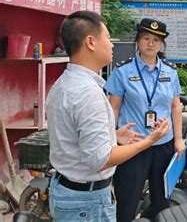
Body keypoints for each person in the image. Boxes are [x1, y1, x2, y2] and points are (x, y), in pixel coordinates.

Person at [46, 11, 169, 222]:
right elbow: (99, 160)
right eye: (107, 38)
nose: (112, 44)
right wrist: (148, 142)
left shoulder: (65, 83)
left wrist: (114, 137)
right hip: (87, 202)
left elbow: (79, 137)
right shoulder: (88, 93)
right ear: (91, 42)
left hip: (71, 192)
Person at [104, 18, 185, 221]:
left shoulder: (170, 71)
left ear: (162, 44)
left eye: (156, 40)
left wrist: (178, 139)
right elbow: (113, 106)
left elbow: (176, 106)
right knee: (127, 200)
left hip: (163, 145)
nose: (151, 43)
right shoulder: (122, 71)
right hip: (134, 145)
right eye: (146, 38)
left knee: (161, 202)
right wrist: (110, 137)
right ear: (138, 41)